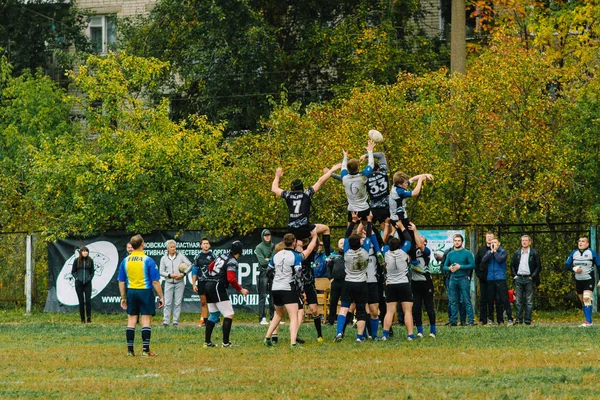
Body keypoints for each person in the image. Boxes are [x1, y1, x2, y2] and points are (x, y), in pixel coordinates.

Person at [264, 230, 318, 348]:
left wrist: (277, 277)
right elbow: (298, 274)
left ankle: (267, 337)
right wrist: (301, 291)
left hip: (276, 287)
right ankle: (293, 343)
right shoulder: (295, 256)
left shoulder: (276, 255)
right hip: (287, 287)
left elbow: (268, 271)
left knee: (278, 313)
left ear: (284, 242)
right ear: (294, 242)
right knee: (294, 316)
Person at [271, 164, 341, 255]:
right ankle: (328, 255)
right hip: (304, 229)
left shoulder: (288, 194)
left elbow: (274, 188)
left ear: (291, 188)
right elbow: (321, 181)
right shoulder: (306, 193)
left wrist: (277, 176)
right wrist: (332, 170)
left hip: (292, 230)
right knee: (325, 229)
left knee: (304, 242)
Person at [118, 235, 164, 357]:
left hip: (131, 292)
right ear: (142, 244)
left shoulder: (125, 261)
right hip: (145, 291)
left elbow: (121, 281)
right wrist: (161, 297)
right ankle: (145, 350)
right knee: (146, 321)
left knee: (131, 320)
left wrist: (123, 297)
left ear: (131, 246)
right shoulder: (148, 260)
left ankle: (130, 351)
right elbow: (155, 281)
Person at [333, 212, 377, 343]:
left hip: (348, 283)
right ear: (360, 242)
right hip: (361, 283)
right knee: (362, 310)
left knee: (344, 308)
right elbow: (368, 235)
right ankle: (359, 337)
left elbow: (346, 235)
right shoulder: (364, 251)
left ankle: (340, 332)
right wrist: (368, 222)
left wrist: (353, 221)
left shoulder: (346, 252)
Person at [203, 241, 249, 347]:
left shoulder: (223, 255)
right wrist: (241, 289)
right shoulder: (232, 261)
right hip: (217, 286)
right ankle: (225, 343)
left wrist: (213, 277)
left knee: (214, 315)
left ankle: (207, 342)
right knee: (229, 314)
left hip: (208, 284)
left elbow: (211, 267)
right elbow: (231, 278)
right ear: (240, 252)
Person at [388, 171, 433, 261]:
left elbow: (412, 179)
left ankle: (404, 257)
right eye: (405, 183)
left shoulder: (397, 186)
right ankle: (413, 260)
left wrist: (424, 175)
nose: (407, 184)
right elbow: (415, 193)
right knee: (411, 239)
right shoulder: (399, 191)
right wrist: (420, 180)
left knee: (402, 239)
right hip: (400, 219)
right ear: (400, 184)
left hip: (395, 218)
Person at [381, 221, 414, 341]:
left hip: (391, 284)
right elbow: (409, 239)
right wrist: (401, 227)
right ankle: (410, 335)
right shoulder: (404, 251)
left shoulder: (385, 252)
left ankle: (385, 334)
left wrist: (392, 232)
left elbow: (386, 242)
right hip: (403, 284)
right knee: (407, 311)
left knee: (389, 311)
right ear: (400, 245)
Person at [564, 237, 600, 327]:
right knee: (582, 301)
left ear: (587, 244)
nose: (580, 243)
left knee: (586, 298)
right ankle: (589, 321)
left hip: (589, 280)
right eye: (579, 241)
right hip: (578, 281)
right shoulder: (574, 253)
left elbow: (599, 266)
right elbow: (566, 265)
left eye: (583, 241)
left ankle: (588, 322)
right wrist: (574, 268)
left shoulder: (592, 253)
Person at [443, 234, 475, 326]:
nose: (457, 242)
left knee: (466, 300)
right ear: (453, 242)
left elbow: (472, 265)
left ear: (462, 242)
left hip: (463, 278)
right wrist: (449, 268)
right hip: (453, 279)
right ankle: (453, 320)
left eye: (458, 241)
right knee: (453, 301)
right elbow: (444, 266)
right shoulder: (450, 254)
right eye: (455, 240)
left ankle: (470, 320)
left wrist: (460, 267)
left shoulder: (467, 253)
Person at [340, 140, 375, 225]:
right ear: (358, 167)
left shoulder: (344, 178)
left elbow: (343, 166)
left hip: (352, 208)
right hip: (364, 208)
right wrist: (370, 151)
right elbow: (371, 164)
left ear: (348, 169)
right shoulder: (363, 176)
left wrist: (345, 156)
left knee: (350, 228)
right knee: (368, 228)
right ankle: (370, 238)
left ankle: (347, 239)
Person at [159, 239, 192, 327]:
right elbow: (161, 271)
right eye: (171, 247)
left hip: (179, 282)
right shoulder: (164, 258)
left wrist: (183, 274)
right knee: (167, 303)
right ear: (167, 248)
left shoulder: (181, 256)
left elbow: (190, 265)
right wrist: (170, 275)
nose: (173, 248)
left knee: (177, 303)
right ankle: (166, 321)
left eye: (174, 247)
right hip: (168, 282)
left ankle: (175, 322)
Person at [510, 235, 541, 325]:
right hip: (519, 278)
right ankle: (519, 320)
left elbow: (538, 266)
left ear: (529, 242)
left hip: (529, 278)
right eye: (522, 240)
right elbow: (512, 265)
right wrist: (515, 276)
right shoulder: (517, 253)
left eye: (526, 240)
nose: (524, 242)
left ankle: (527, 320)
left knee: (529, 301)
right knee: (518, 300)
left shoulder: (534, 253)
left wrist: (532, 276)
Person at [482, 238, 513, 325]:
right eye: (491, 242)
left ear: (499, 243)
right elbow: (483, 260)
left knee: (504, 299)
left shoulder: (503, 252)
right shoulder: (489, 252)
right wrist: (491, 252)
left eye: (495, 242)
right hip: (490, 278)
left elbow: (500, 260)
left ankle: (510, 318)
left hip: (500, 278)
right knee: (490, 299)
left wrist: (495, 252)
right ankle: (491, 319)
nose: (493, 244)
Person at [411, 234, 437, 338]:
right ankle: (420, 331)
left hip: (426, 283)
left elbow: (420, 245)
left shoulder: (426, 251)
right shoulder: (411, 251)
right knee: (416, 308)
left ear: (425, 243)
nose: (418, 240)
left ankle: (433, 331)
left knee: (429, 307)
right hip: (415, 283)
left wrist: (414, 230)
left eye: (421, 239)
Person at [255, 229, 275, 325]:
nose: (267, 237)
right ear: (262, 236)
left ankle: (273, 318)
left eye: (269, 235)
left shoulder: (273, 246)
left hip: (273, 272)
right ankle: (262, 318)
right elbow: (262, 262)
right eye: (265, 235)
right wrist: (269, 260)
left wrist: (268, 259)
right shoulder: (259, 247)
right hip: (263, 273)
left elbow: (275, 260)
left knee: (273, 296)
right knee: (263, 295)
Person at [192, 237, 214, 327]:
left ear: (209, 245)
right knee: (203, 302)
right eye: (204, 243)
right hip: (201, 282)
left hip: (212, 282)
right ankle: (205, 321)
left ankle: (215, 320)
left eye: (207, 243)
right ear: (201, 245)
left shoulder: (213, 256)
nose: (206, 245)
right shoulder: (198, 257)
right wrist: (194, 284)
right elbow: (194, 271)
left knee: (213, 302)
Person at [71, 246, 95, 323]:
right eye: (83, 251)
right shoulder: (76, 261)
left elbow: (92, 272)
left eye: (86, 251)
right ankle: (82, 319)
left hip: (87, 284)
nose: (85, 252)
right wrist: (77, 278)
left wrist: (89, 278)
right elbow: (73, 271)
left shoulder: (90, 260)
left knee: (88, 301)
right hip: (79, 284)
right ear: (81, 252)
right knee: (81, 301)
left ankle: (89, 319)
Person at [475, 232, 494, 325]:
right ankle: (483, 319)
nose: (489, 238)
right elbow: (476, 263)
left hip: (494, 278)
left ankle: (492, 318)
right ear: (485, 238)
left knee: (492, 298)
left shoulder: (496, 249)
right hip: (484, 278)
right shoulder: (481, 250)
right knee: (483, 299)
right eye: (488, 237)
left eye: (491, 237)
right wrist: (479, 274)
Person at [325, 238, 345, 325]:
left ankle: (348, 320)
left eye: (344, 243)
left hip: (346, 281)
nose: (342, 244)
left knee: (346, 301)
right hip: (336, 281)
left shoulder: (349, 254)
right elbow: (328, 266)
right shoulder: (333, 255)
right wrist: (330, 278)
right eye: (341, 243)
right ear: (338, 245)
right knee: (333, 301)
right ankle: (331, 320)